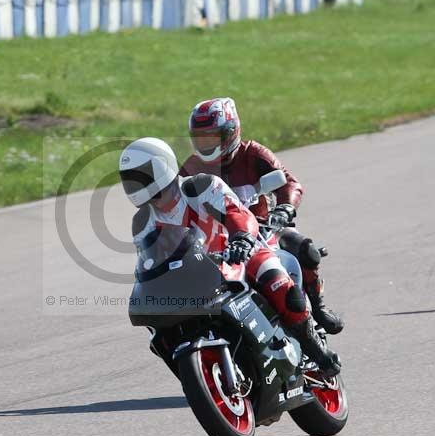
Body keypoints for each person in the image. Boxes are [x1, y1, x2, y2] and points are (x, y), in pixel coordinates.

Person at [119, 137, 341, 376]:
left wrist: (242, 238)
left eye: (141, 176)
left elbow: (237, 213)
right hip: (196, 274)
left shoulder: (201, 187)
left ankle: (319, 354)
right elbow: (149, 259)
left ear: (162, 167)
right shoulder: (142, 221)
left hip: (241, 253)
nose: (136, 185)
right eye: (130, 179)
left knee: (285, 294)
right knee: (161, 327)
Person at [179, 97, 344, 335]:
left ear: (232, 132)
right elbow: (176, 204)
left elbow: (289, 183)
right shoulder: (191, 167)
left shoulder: (254, 154)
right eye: (201, 138)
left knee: (305, 248)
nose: (207, 144)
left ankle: (317, 310)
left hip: (265, 230)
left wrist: (285, 208)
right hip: (216, 242)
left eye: (214, 137)